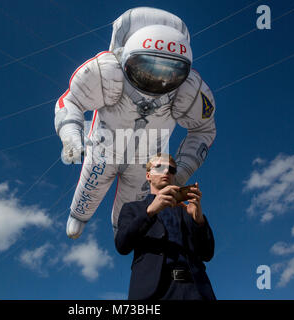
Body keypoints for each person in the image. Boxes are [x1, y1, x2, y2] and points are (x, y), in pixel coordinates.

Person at [55, 7, 217, 239]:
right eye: (148, 69)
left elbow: (203, 130)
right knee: (89, 190)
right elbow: (71, 101)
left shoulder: (189, 90)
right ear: (126, 59)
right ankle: (79, 216)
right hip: (104, 151)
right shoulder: (106, 71)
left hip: (146, 163)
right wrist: (71, 135)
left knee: (130, 207)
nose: (158, 80)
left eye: (169, 73)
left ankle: (122, 233)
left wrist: (180, 171)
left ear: (184, 71)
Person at [115, 153, 216, 300]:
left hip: (194, 291)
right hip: (154, 292)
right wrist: (150, 211)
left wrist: (199, 220)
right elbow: (122, 245)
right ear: (148, 175)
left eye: (171, 170)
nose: (167, 171)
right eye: (159, 167)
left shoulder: (187, 210)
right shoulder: (133, 209)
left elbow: (207, 254)